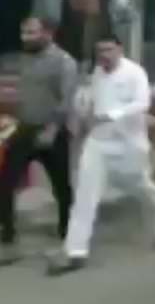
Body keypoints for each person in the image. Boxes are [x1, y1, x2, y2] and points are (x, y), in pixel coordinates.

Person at [48, 33, 155, 275]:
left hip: (129, 145)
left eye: (109, 50)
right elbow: (88, 105)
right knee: (85, 195)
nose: (104, 55)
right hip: (98, 143)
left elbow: (142, 103)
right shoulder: (95, 75)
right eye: (100, 51)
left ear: (120, 50)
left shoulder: (135, 73)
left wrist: (111, 115)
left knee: (141, 186)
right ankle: (75, 251)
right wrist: (81, 118)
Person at [0, 17, 77, 266]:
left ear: (47, 34)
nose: (26, 37)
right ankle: (8, 238)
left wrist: (53, 129)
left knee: (61, 187)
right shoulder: (25, 58)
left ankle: (68, 233)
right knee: (5, 182)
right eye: (23, 32)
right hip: (25, 128)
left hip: (52, 130)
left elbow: (66, 100)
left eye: (32, 33)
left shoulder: (63, 62)